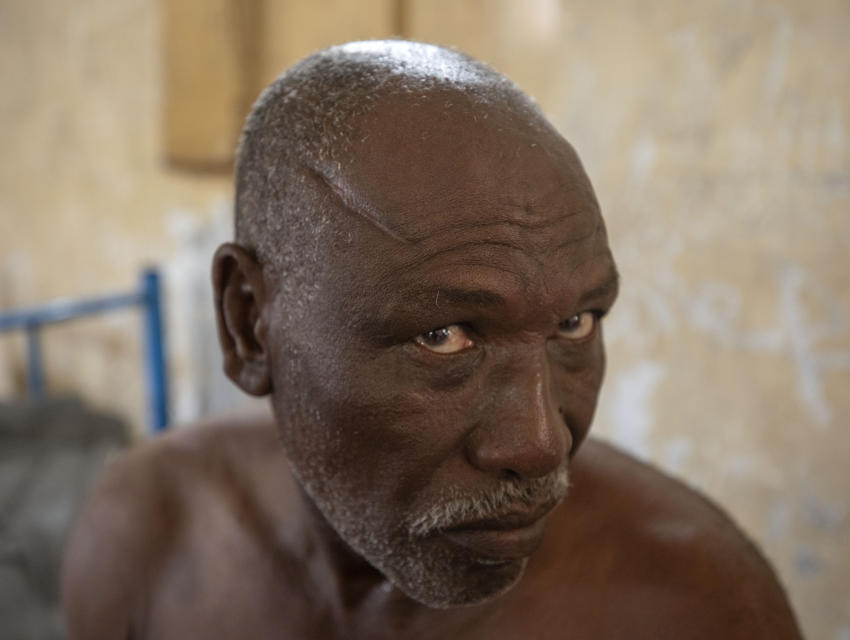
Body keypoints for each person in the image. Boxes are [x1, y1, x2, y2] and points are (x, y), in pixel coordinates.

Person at [61, 40, 804, 639]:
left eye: (575, 324)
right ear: (250, 322)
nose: (540, 444)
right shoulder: (149, 539)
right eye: (445, 336)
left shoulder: (688, 606)